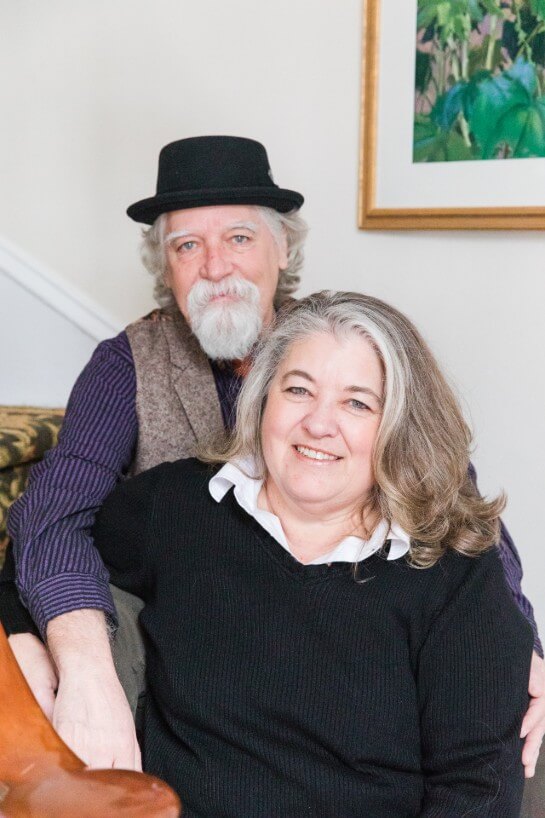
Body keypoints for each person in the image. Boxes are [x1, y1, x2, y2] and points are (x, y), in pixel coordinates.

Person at [1, 136, 543, 775]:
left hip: (352, 648)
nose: (214, 266)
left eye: (238, 238)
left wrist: (516, 643)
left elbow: (451, 498)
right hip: (206, 661)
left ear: (283, 248)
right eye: (187, 246)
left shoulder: (341, 341)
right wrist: (73, 661)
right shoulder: (128, 366)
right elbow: (55, 511)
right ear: (165, 266)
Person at [89, 291, 533, 816]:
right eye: (299, 390)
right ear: (262, 398)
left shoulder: (453, 571)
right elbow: (43, 548)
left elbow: (479, 788)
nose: (319, 424)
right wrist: (71, 658)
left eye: (357, 402)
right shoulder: (176, 507)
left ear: (399, 427)